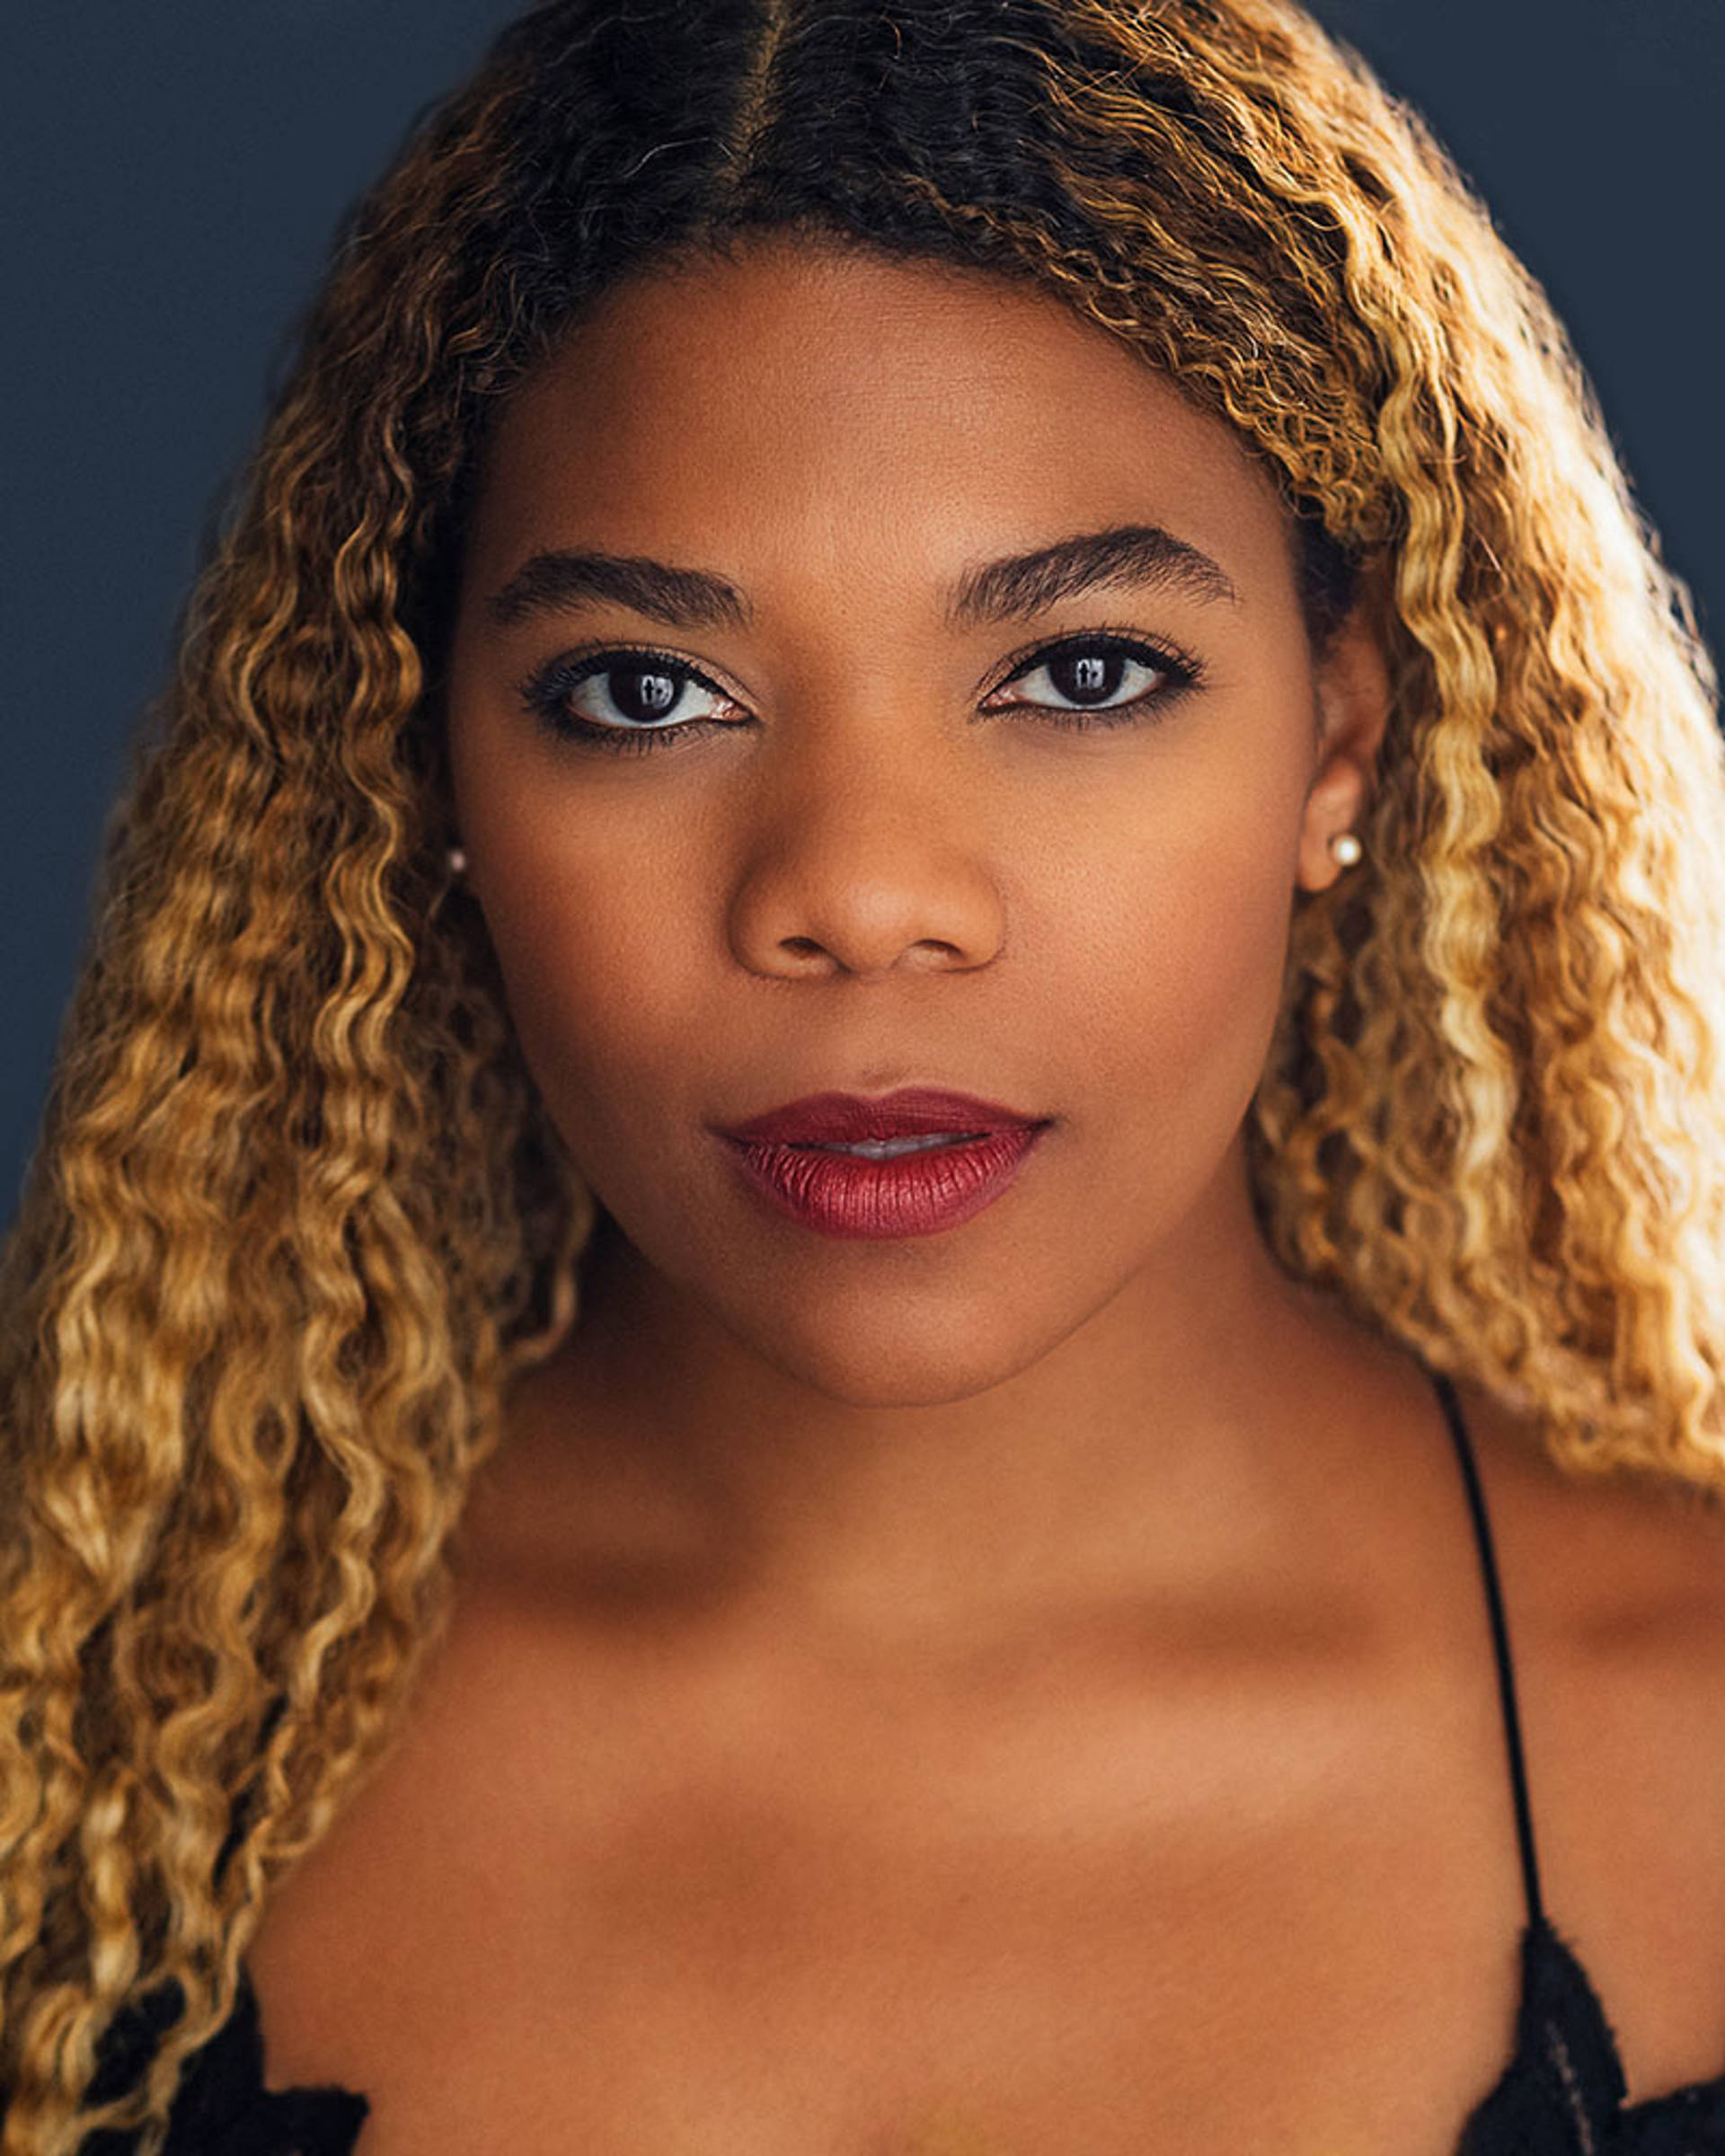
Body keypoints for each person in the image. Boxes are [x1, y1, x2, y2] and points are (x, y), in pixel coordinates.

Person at [5, 0, 1725, 2149]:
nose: (859, 893)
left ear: (1342, 739)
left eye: (1082, 672)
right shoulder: (64, 1759)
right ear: (423, 764)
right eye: (646, 691)